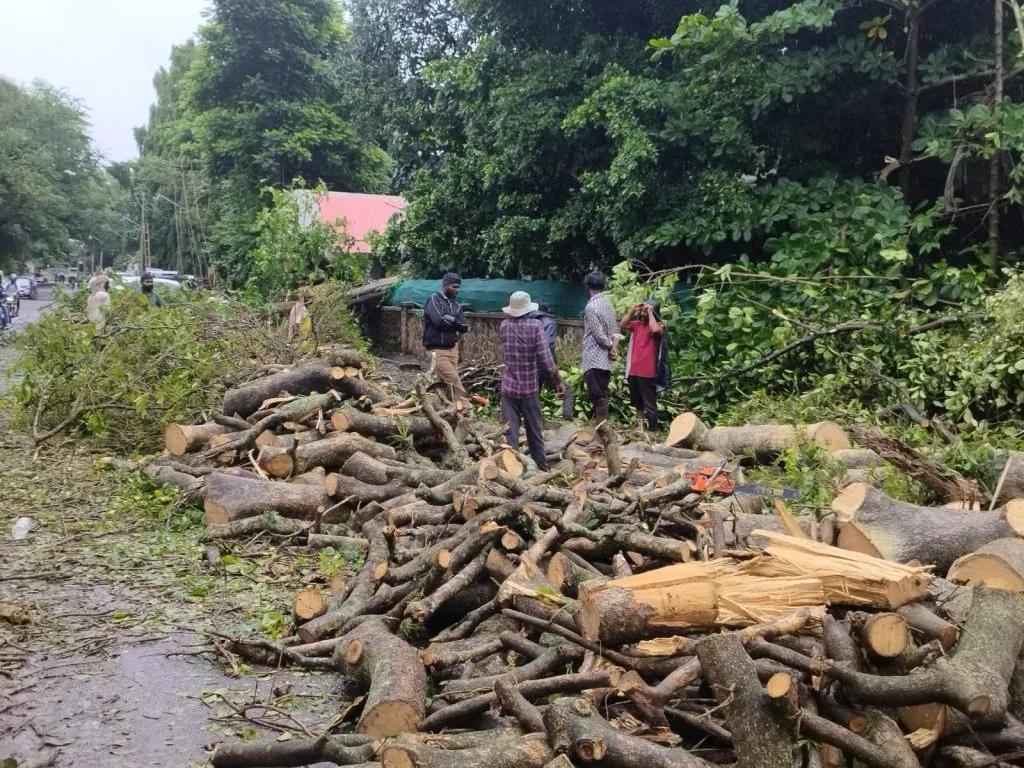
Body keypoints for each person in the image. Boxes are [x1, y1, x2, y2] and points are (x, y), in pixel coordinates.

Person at [499, 291, 565, 470]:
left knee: (510, 431)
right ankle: (541, 465)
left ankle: (511, 468)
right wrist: (558, 380)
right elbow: (546, 356)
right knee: (534, 430)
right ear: (528, 309)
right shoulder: (536, 325)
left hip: (509, 387)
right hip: (529, 388)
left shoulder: (504, 325)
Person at [422, 272, 470, 411]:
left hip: (453, 350)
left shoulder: (457, 306)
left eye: (458, 287)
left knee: (443, 383)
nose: (457, 290)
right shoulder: (433, 299)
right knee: (454, 380)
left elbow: (464, 328)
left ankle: (442, 410)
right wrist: (456, 324)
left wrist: (453, 320)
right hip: (436, 351)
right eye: (454, 286)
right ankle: (466, 408)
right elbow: (438, 321)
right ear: (445, 285)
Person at [620, 299, 669, 432]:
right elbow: (622, 324)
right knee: (638, 403)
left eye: (645, 310)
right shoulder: (637, 325)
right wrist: (632, 310)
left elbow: (655, 329)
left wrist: (651, 312)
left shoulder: (658, 325)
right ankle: (640, 429)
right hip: (634, 371)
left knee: (650, 404)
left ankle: (653, 431)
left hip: (648, 373)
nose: (643, 312)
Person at [581, 271, 619, 425]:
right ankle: (600, 435)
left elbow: (598, 335)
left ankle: (600, 438)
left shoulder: (591, 307)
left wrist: (610, 346)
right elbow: (616, 331)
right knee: (601, 395)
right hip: (605, 361)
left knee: (598, 397)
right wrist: (614, 348)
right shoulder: (608, 305)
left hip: (594, 358)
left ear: (587, 286)